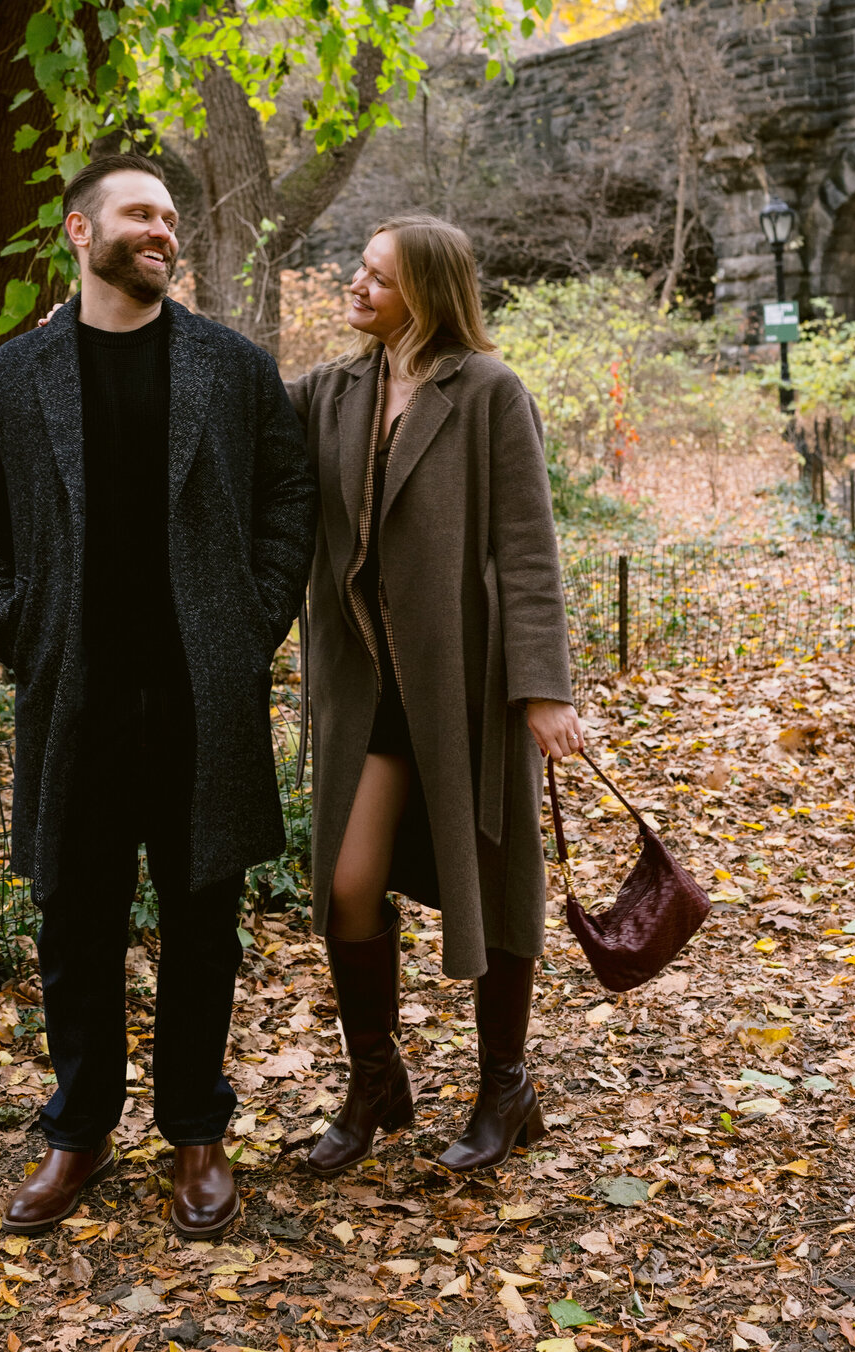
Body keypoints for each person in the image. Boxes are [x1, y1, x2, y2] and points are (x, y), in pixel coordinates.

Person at [0, 152, 315, 1238]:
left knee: (205, 928)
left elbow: (289, 495)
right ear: (78, 232)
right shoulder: (10, 378)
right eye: (140, 213)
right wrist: (14, 623)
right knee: (76, 925)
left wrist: (250, 622)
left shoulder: (231, 368)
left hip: (204, 696)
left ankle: (197, 1133)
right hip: (74, 698)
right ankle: (79, 1134)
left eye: (170, 217)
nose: (163, 230)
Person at [287, 214, 581, 1175]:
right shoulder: (333, 390)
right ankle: (375, 1080)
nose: (356, 287)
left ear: (427, 292)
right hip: (366, 678)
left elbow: (527, 547)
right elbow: (234, 411)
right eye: (359, 273)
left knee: (494, 884)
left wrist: (543, 688)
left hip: (467, 678)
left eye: (376, 277)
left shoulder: (489, 391)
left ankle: (506, 1086)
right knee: (348, 882)